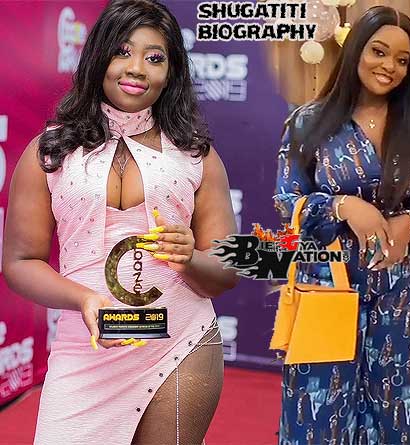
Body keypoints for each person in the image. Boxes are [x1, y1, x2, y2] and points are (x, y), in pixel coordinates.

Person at [3, 1, 238, 443]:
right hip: (85, 347)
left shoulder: (197, 157)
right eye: (123, 51)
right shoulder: (49, 152)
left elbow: (226, 271)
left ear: (171, 72)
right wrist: (84, 300)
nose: (136, 69)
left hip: (180, 344)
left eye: (155, 57)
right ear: (99, 57)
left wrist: (190, 258)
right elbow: (20, 263)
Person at [272, 6, 410, 443]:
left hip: (401, 293)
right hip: (328, 287)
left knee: (396, 415)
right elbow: (286, 202)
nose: (389, 66)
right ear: (356, 51)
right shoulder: (307, 121)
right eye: (378, 51)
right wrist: (341, 206)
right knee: (319, 416)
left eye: (402, 60)